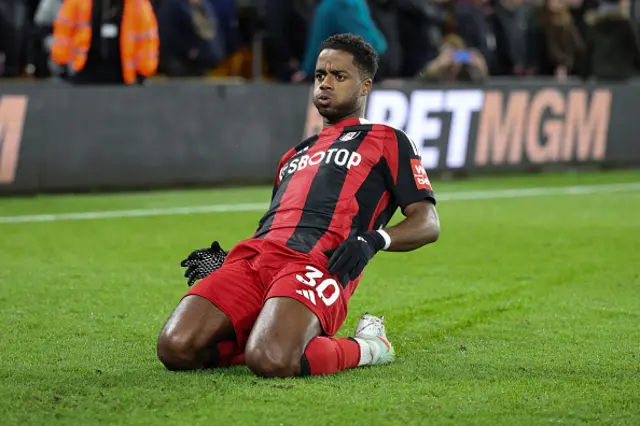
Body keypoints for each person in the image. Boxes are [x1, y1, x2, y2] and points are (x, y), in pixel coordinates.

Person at [157, 33, 441, 378]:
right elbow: (279, 227)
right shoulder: (293, 155)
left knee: (273, 359)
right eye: (320, 75)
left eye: (339, 76)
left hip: (317, 265)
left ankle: (370, 346)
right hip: (255, 260)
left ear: (365, 87)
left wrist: (373, 240)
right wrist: (228, 260)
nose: (325, 84)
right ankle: (272, 334)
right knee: (175, 348)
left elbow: (427, 222)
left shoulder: (387, 139)